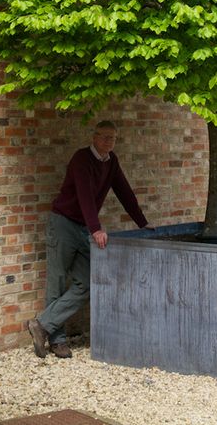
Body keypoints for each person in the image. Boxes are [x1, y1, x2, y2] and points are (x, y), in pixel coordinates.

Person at [27, 120, 153, 359]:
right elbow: (85, 194)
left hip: (83, 227)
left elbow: (124, 191)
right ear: (94, 137)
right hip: (63, 223)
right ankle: (58, 341)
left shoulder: (111, 161)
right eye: (105, 137)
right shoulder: (81, 159)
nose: (109, 142)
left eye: (113, 138)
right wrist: (96, 229)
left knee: (86, 282)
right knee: (57, 281)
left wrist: (142, 222)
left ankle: (42, 325)